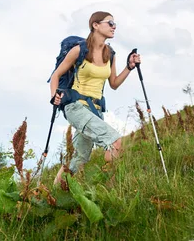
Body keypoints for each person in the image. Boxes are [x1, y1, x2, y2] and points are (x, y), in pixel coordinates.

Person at [49, 11, 140, 186]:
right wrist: (54, 96)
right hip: (75, 106)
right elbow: (56, 75)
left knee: (80, 156)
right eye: (110, 23)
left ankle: (56, 190)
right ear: (95, 25)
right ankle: (109, 188)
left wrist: (129, 67)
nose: (114, 26)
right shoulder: (79, 50)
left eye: (115, 24)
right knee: (115, 142)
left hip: (95, 110)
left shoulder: (110, 54)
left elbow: (113, 83)